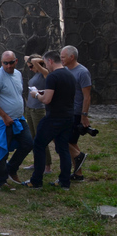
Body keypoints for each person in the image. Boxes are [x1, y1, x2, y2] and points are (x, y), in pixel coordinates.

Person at [21, 50, 76, 189]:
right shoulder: (70, 74)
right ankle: (64, 181)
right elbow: (59, 94)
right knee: (63, 149)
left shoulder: (52, 76)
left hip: (53, 117)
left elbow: (46, 100)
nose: (45, 66)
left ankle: (36, 180)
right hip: (68, 116)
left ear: (50, 61)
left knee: (39, 144)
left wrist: (35, 95)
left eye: (45, 63)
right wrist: (43, 92)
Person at [0, 51, 34, 190]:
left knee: (28, 143)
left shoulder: (18, 74)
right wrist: (5, 116)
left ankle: (11, 168)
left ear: (16, 61)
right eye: (5, 63)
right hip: (3, 120)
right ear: (1, 63)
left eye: (11, 62)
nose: (8, 65)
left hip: (18, 118)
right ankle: (0, 181)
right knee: (2, 149)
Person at [60, 45, 91, 181]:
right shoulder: (65, 70)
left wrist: (84, 115)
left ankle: (77, 166)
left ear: (71, 57)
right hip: (65, 111)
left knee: (66, 140)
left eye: (63, 57)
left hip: (76, 113)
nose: (61, 59)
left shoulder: (82, 72)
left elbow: (87, 96)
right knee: (71, 142)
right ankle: (78, 174)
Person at [22, 54, 52, 174]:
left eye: (31, 67)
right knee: (33, 138)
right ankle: (37, 162)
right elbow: (26, 57)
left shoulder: (45, 73)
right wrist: (33, 61)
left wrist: (38, 62)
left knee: (41, 137)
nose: (30, 69)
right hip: (30, 108)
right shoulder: (36, 72)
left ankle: (47, 166)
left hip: (39, 109)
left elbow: (33, 60)